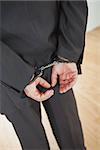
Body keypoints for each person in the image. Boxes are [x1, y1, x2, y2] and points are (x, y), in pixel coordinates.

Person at [0, 1, 88, 150]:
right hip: (5, 74)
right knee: (33, 141)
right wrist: (17, 74)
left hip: (54, 62)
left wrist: (67, 55)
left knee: (72, 138)